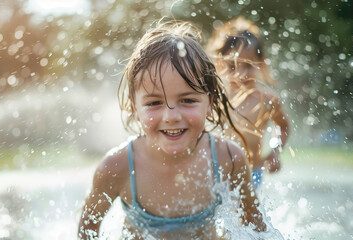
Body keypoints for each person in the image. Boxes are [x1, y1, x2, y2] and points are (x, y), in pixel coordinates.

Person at [77, 20, 265, 239]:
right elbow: (87, 231)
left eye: (187, 100)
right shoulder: (117, 167)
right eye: (154, 103)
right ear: (134, 108)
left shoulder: (228, 159)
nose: (171, 117)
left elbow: (256, 228)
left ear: (210, 104)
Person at [206, 17, 289, 189]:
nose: (241, 74)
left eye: (248, 66)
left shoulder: (267, 101)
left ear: (261, 64)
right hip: (216, 173)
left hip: (252, 173)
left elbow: (283, 126)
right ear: (220, 65)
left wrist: (274, 151)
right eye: (232, 67)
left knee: (246, 214)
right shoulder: (214, 98)